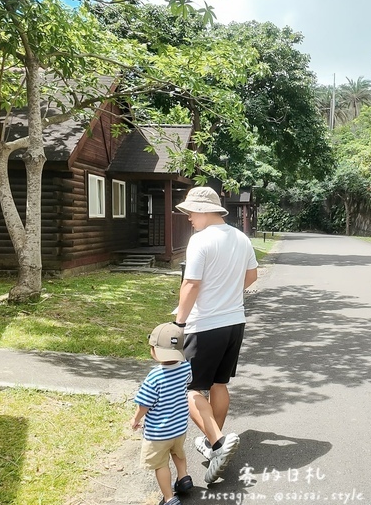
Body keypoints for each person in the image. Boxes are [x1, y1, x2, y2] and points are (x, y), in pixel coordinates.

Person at [172, 186, 258, 484]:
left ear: (206, 211)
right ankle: (212, 443)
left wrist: (179, 324)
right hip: (235, 322)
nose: (189, 218)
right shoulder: (241, 238)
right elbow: (251, 276)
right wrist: (228, 295)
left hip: (203, 325)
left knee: (191, 390)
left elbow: (191, 284)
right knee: (219, 383)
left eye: (192, 212)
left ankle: (219, 443)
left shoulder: (200, 240)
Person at [131, 322, 194, 505]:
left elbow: (144, 404)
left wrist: (135, 419)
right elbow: (188, 383)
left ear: (155, 351)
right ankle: (183, 477)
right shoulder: (186, 367)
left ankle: (169, 498)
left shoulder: (154, 377)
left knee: (160, 464)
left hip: (159, 433)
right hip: (179, 427)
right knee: (178, 453)